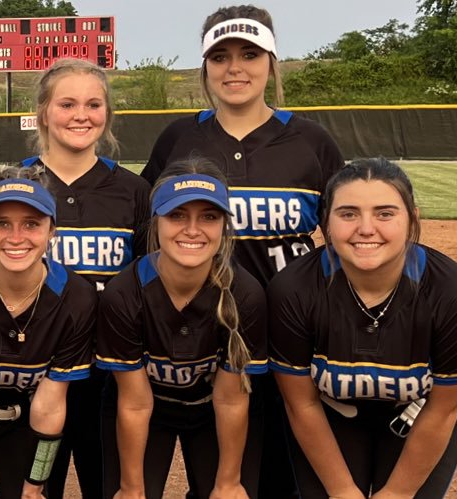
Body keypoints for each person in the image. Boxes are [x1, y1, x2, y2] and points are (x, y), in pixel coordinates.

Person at [141, 7, 346, 494]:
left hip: (293, 333)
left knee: (282, 473)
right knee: (217, 477)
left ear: (272, 62)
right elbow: (146, 232)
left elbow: (344, 238)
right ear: (205, 67)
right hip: (205, 338)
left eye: (249, 54)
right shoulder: (179, 137)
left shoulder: (311, 141)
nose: (235, 68)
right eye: (221, 56)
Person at [269, 158, 457, 499]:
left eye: (385, 213)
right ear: (326, 223)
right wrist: (342, 490)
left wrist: (398, 493)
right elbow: (302, 404)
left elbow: (444, 408)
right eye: (348, 214)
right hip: (330, 412)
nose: (366, 228)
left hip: (421, 412)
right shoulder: (294, 289)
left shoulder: (455, 293)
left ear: (412, 219)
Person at [8, 57, 153, 499]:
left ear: (106, 114)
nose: (80, 115)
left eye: (93, 104)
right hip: (35, 368)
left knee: (108, 483)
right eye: (67, 104)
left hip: (112, 371)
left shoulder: (132, 190)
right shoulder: (14, 184)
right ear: (43, 112)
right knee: (34, 485)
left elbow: (149, 282)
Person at [96, 160, 268, 499]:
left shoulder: (245, 295)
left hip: (212, 408)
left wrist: (229, 483)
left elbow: (230, 400)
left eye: (209, 216)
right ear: (156, 222)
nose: (192, 229)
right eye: (177, 216)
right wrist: (131, 488)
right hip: (148, 405)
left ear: (224, 225)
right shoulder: (124, 294)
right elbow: (134, 404)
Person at [0, 170, 98, 499]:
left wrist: (34, 485)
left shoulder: (77, 298)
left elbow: (50, 406)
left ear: (52, 230)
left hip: (23, 417)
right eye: (1, 223)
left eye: (31, 223)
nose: (15, 237)